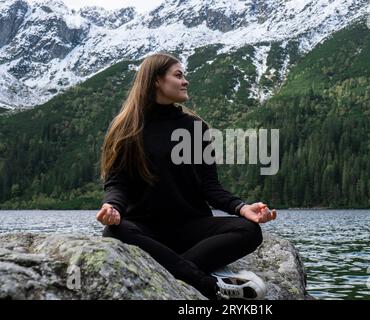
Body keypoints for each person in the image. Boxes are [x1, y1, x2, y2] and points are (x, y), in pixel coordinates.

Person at [96, 52, 277, 300]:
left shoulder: (194, 128)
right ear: (156, 80)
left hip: (192, 229)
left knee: (249, 230)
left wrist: (242, 208)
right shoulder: (126, 128)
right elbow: (117, 183)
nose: (185, 81)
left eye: (185, 76)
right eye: (178, 75)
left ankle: (172, 271)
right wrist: (112, 207)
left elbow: (210, 187)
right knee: (114, 232)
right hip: (146, 230)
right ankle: (209, 285)